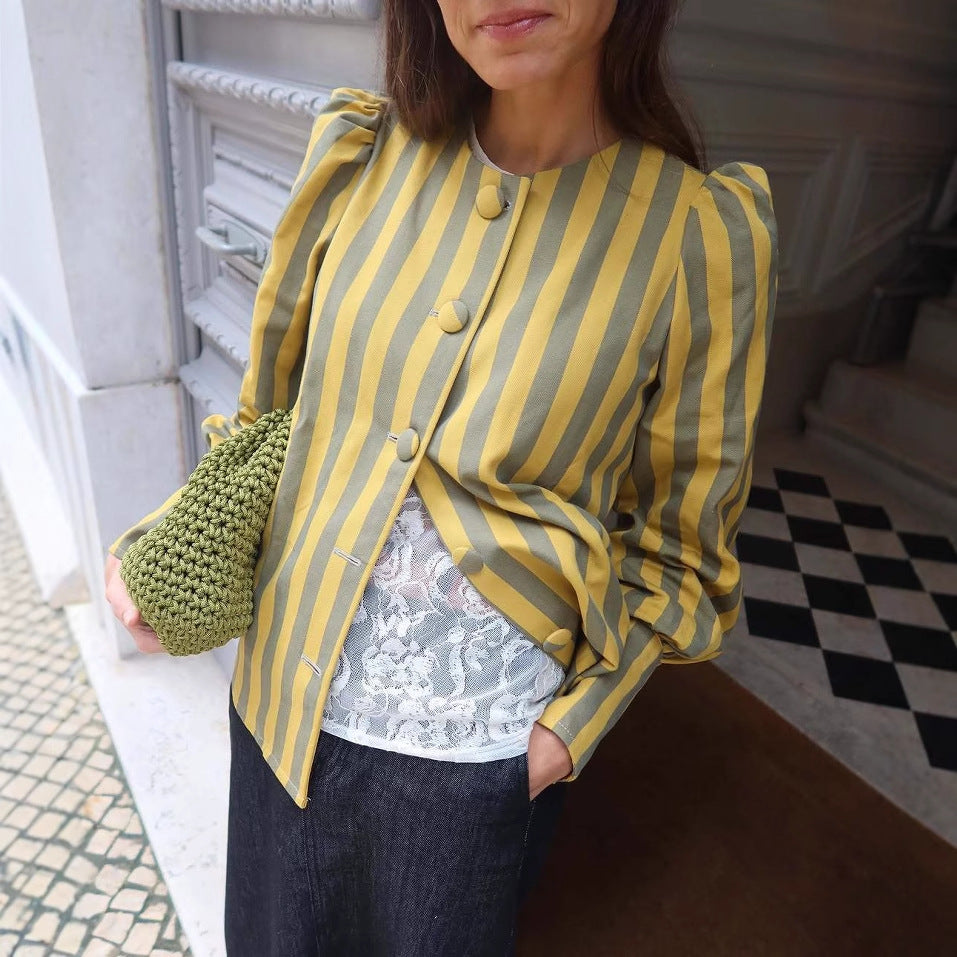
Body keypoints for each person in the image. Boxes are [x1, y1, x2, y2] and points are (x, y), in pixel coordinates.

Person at [104, 0, 778, 954]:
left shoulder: (694, 233)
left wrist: (559, 738)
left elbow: (682, 557)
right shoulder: (359, 158)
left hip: (475, 764)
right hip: (277, 706)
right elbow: (269, 424)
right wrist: (167, 544)